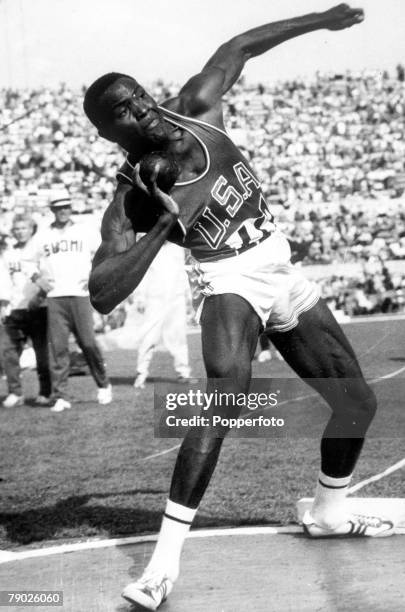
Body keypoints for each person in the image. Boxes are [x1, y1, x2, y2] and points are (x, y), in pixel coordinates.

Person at [83, 4, 394, 609]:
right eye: (122, 111)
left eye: (139, 96)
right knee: (225, 399)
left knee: (357, 402)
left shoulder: (198, 107)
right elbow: (101, 291)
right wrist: (159, 231)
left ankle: (329, 515)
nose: (140, 109)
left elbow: (240, 45)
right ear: (107, 131)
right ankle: (161, 568)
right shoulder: (132, 196)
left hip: (277, 264)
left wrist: (323, 20)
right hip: (226, 277)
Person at [33, 195, 112, 412]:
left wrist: (93, 277)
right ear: (52, 210)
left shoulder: (84, 230)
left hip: (79, 293)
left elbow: (104, 254)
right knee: (58, 348)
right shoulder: (42, 235)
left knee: (88, 342)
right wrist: (37, 279)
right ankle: (61, 395)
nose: (63, 211)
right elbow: (26, 260)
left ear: (71, 208)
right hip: (55, 296)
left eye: (67, 207)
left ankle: (104, 384)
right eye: (58, 208)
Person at [1, 215, 51, 408]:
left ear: (32, 229)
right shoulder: (8, 254)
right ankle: (15, 392)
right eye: (17, 228)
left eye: (24, 228)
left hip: (38, 307)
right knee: (8, 352)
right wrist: (3, 307)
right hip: (15, 309)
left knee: (42, 354)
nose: (20, 231)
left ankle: (45, 392)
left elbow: (48, 278)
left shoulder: (42, 251)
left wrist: (39, 298)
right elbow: (4, 281)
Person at [133, 240, 191, 389]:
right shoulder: (148, 245)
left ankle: (183, 372)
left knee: (178, 337)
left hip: (176, 297)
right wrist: (140, 297)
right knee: (149, 337)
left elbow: (182, 272)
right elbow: (141, 273)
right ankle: (141, 373)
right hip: (155, 298)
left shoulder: (177, 246)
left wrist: (187, 295)